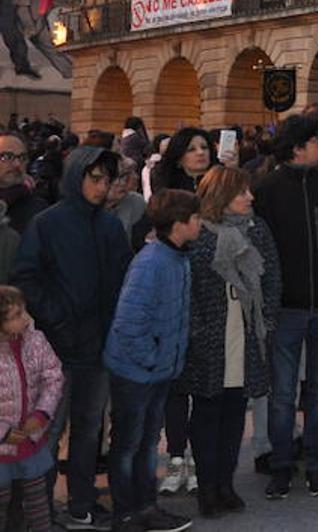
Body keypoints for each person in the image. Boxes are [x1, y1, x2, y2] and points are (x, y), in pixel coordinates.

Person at [12, 146, 129, 532]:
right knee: (47, 431)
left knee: (89, 429)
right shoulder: (47, 223)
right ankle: (40, 511)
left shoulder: (110, 226)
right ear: (77, 176)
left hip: (98, 347)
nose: (102, 186)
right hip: (57, 348)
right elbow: (25, 277)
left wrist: (114, 326)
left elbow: (122, 281)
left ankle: (82, 503)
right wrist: (58, 318)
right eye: (95, 178)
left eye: (107, 179)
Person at [251, 115, 318, 499]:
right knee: (282, 395)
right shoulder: (268, 189)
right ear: (297, 147)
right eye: (316, 141)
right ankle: (281, 465)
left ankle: (317, 465)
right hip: (286, 308)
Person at [179, 168, 280, 516]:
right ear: (221, 196)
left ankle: (226, 484)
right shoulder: (199, 233)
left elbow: (272, 275)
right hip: (210, 337)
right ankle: (207, 488)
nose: (250, 197)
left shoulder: (257, 228)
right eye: (242, 192)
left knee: (236, 412)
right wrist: (197, 332)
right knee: (207, 412)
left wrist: (266, 319)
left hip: (246, 333)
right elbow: (188, 288)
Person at [103, 188, 197, 532]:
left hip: (157, 370)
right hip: (136, 372)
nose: (200, 223)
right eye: (196, 218)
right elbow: (129, 323)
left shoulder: (178, 258)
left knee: (146, 443)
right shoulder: (152, 262)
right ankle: (126, 512)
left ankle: (145, 506)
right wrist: (152, 359)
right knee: (128, 445)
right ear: (179, 223)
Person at [150, 129, 217, 499]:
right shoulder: (166, 197)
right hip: (176, 296)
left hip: (211, 295)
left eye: (204, 147)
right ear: (178, 156)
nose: (200, 153)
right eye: (192, 148)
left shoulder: (219, 188)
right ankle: (177, 455)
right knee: (176, 385)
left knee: (205, 382)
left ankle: (200, 456)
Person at [0, 286, 63, 532]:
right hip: (3, 446)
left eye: (24, 311)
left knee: (38, 506)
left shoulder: (35, 340)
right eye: (16, 315)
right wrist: (4, 432)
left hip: (30, 442)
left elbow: (53, 377)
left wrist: (42, 413)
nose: (26, 318)